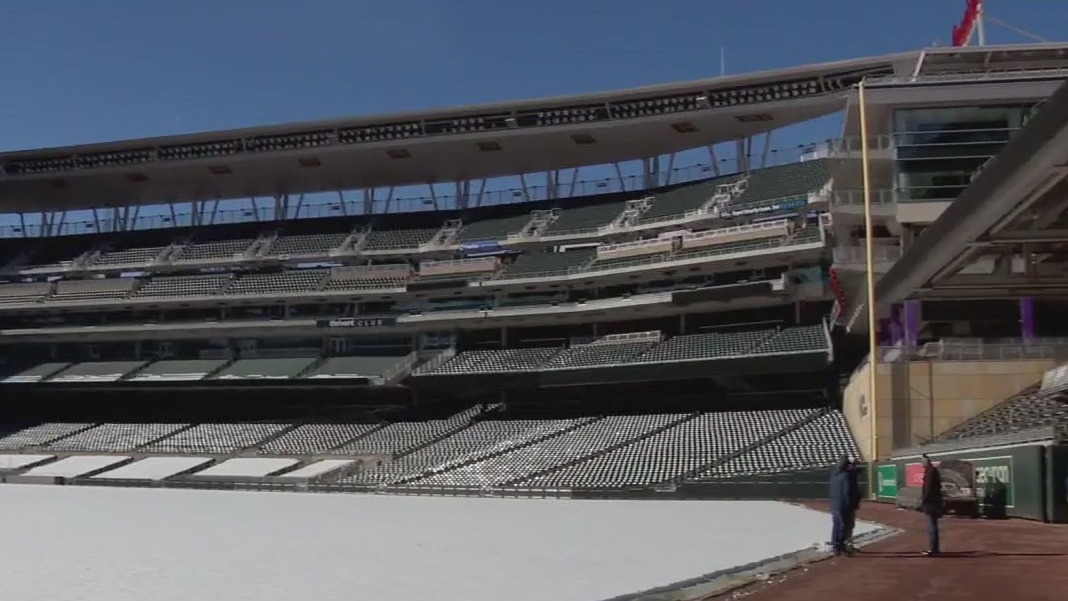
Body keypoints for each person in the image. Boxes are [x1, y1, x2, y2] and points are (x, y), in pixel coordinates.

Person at [828, 455, 856, 556]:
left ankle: (836, 546)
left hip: (834, 504)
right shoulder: (846, 476)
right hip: (844, 505)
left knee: (836, 526)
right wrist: (851, 505)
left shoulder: (834, 474)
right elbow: (847, 492)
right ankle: (841, 546)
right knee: (844, 527)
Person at [920, 454, 943, 556]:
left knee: (931, 526)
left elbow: (928, 489)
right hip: (934, 502)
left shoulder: (930, 472)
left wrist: (923, 501)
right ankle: (934, 548)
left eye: (922, 461)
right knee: (933, 526)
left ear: (926, 461)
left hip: (931, 503)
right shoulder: (932, 471)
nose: (921, 463)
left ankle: (933, 549)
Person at [844, 459, 862, 551]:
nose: (855, 467)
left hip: (851, 504)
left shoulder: (852, 475)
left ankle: (848, 543)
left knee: (850, 525)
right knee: (847, 525)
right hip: (848, 505)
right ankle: (846, 544)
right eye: (853, 465)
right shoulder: (847, 476)